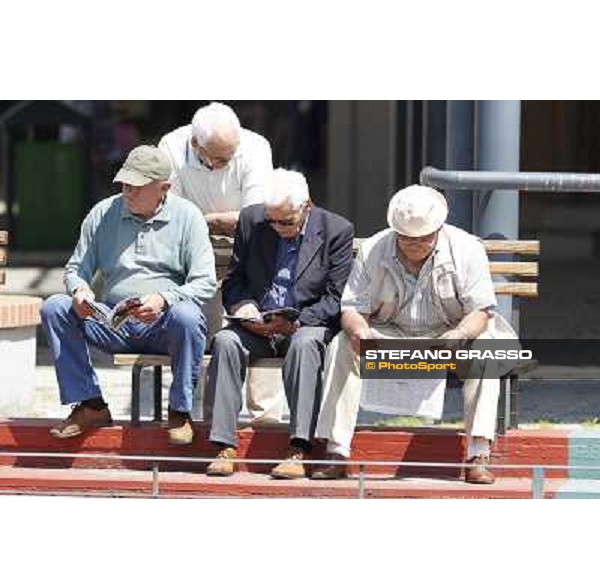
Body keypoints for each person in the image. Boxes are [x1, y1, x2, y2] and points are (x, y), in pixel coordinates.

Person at [313, 184, 518, 484]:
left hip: (450, 331)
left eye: (423, 239)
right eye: (407, 239)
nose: (415, 245)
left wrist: (460, 333)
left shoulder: (466, 247)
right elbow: (352, 308)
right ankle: (336, 451)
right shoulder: (373, 248)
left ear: (438, 229)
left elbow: (481, 311)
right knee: (342, 344)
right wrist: (360, 332)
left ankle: (478, 453)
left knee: (486, 347)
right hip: (390, 332)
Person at [40, 145, 217, 445]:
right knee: (55, 306)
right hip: (112, 321)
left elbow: (205, 282)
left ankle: (179, 411)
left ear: (164, 188)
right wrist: (80, 290)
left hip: (164, 323)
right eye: (124, 183)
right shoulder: (103, 213)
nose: (128, 191)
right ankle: (90, 404)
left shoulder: (188, 217)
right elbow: (75, 269)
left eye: (137, 186)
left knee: (187, 315)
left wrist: (163, 299)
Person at [204, 168, 354, 479]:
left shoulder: (336, 230)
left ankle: (299, 448)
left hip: (304, 323)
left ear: (306, 206)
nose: (276, 227)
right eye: (271, 220)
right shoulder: (251, 220)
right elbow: (234, 280)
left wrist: (294, 323)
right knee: (225, 341)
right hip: (257, 324)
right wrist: (243, 306)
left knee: (305, 345)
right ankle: (223, 446)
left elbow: (336, 298)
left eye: (285, 221)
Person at [158, 101, 273, 237]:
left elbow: (255, 218)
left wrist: (207, 221)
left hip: (243, 245)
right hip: (187, 243)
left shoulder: (257, 146)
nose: (229, 160)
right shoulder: (171, 147)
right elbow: (170, 215)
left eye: (233, 153)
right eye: (220, 159)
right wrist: (221, 221)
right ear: (195, 144)